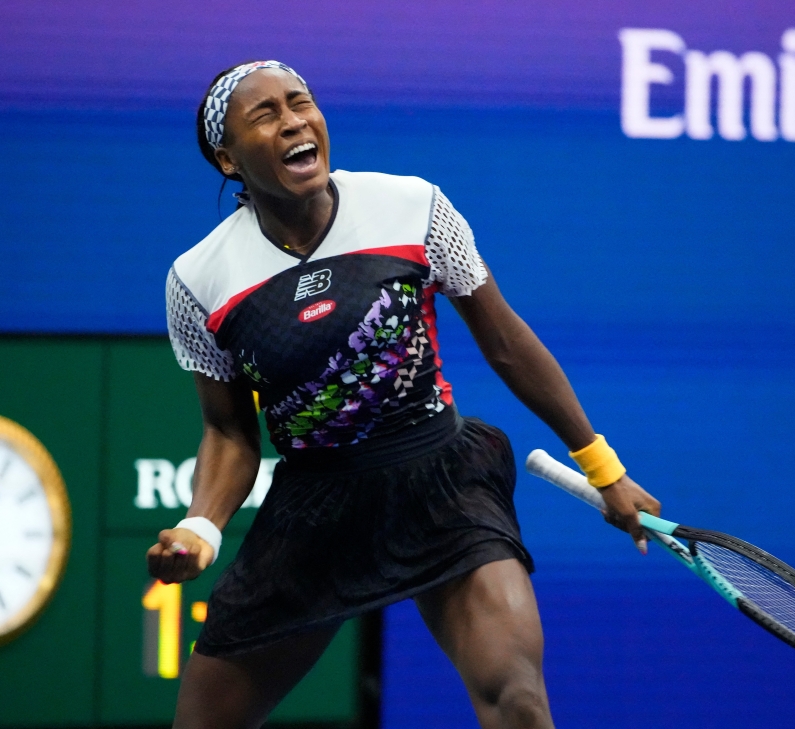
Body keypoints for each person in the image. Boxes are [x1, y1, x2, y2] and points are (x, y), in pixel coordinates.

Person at [147, 60, 660, 729]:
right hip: (314, 511)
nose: (295, 121)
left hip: (441, 483)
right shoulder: (198, 279)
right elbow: (229, 433)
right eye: (265, 114)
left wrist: (603, 467)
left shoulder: (412, 206)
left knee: (517, 698)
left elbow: (505, 342)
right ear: (227, 158)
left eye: (300, 102)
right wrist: (201, 526)